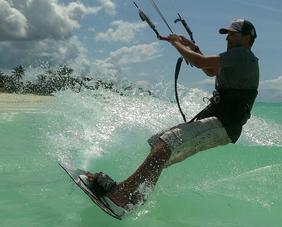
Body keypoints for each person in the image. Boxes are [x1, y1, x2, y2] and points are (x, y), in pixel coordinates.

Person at [83, 18, 260, 216]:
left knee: (166, 144)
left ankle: (120, 193)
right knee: (158, 144)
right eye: (227, 34)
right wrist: (192, 47)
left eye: (233, 34)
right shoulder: (236, 57)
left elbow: (200, 62)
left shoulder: (242, 54)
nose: (228, 37)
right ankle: (139, 197)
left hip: (224, 123)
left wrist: (176, 43)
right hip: (219, 121)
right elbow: (210, 70)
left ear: (247, 39)